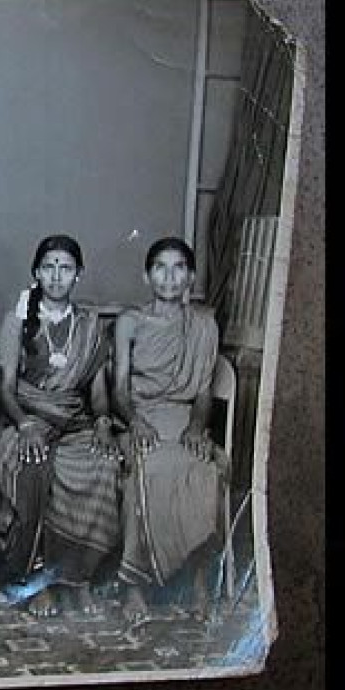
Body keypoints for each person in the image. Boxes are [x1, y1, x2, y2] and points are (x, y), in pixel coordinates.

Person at [0, 235, 120, 617]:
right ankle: (32, 583)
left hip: (76, 424)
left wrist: (105, 423)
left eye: (65, 267)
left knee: (103, 467)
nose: (57, 275)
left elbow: (96, 392)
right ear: (36, 273)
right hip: (22, 422)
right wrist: (26, 423)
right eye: (49, 266)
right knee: (32, 468)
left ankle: (76, 580)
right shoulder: (17, 321)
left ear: (79, 274)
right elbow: (7, 388)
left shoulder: (91, 325)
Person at [113, 236, 226, 624]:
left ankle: (198, 583)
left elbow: (204, 393)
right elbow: (119, 390)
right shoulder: (130, 322)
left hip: (183, 421)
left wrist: (197, 427)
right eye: (160, 267)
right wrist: (134, 421)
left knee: (203, 471)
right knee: (145, 473)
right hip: (141, 418)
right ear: (147, 276)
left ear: (190, 276)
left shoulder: (204, 325)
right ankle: (135, 587)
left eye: (179, 267)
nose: (169, 276)